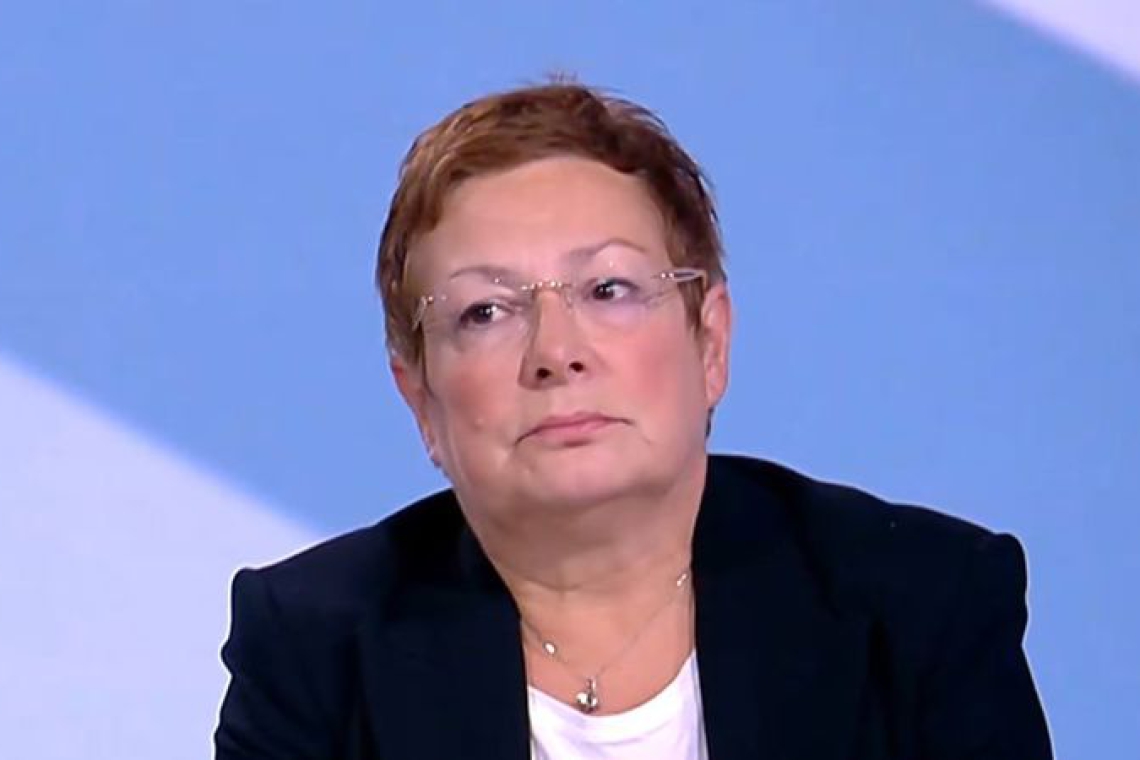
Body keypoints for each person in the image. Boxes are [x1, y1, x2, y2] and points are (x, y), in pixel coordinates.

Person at [214, 81, 1053, 759]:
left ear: (710, 342)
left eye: (608, 289)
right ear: (421, 400)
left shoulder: (920, 605)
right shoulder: (315, 647)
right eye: (485, 311)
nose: (556, 352)